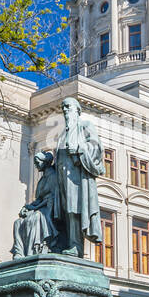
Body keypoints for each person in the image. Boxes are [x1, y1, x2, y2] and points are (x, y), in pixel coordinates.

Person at [52, 98, 104, 256]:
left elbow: (96, 146)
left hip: (77, 176)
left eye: (68, 107)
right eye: (63, 108)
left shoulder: (85, 126)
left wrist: (81, 149)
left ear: (77, 110)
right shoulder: (63, 134)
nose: (65, 110)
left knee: (74, 210)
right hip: (62, 176)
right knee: (65, 211)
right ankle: (66, 242)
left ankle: (76, 246)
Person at [11, 151, 58, 257]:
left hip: (50, 208)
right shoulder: (42, 180)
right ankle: (19, 252)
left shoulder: (53, 176)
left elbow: (53, 197)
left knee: (36, 217)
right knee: (18, 222)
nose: (36, 165)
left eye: (37, 162)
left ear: (45, 162)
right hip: (41, 206)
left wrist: (36, 207)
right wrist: (27, 207)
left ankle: (33, 251)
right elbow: (39, 198)